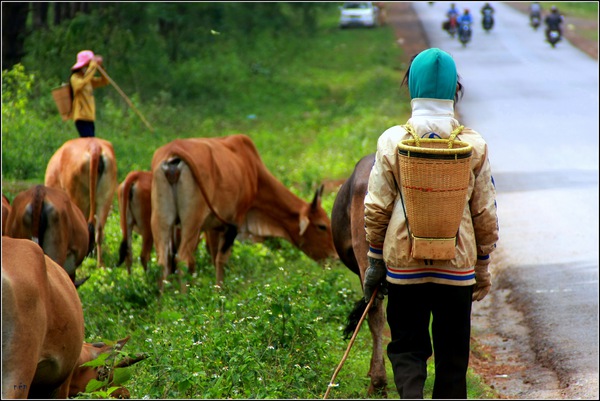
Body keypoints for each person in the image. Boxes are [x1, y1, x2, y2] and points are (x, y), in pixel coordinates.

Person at [363, 48, 499, 398]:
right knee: (453, 356)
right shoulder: (474, 145)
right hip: (456, 269)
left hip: (404, 268)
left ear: (413, 88)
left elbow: (376, 208)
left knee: (407, 348)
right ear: (454, 89)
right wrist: (482, 265)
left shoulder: (392, 141)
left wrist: (376, 261)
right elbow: (484, 212)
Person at [69, 50, 109, 138]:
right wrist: (92, 68)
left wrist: (100, 67)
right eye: (87, 65)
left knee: (92, 140)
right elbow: (80, 85)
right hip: (81, 117)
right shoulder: (75, 78)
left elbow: (105, 81)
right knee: (89, 140)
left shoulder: (89, 80)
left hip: (90, 117)